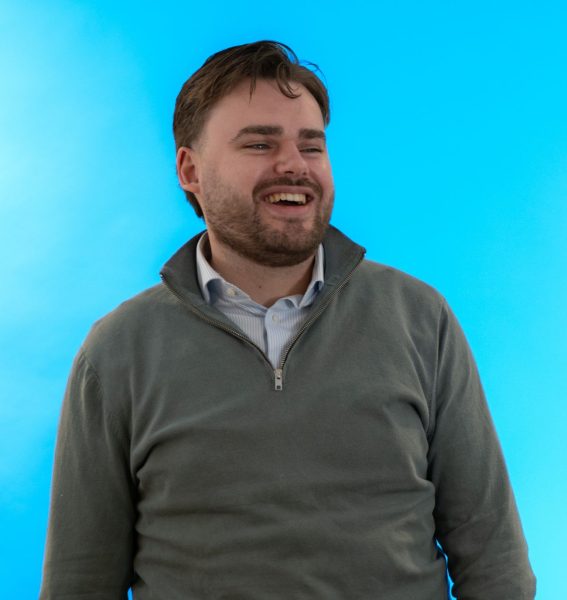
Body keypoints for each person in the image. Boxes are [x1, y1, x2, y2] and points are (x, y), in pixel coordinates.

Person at [40, 41, 536, 599]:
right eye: (260, 143)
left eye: (311, 145)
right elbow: (79, 582)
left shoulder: (421, 319)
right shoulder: (117, 351)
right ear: (190, 170)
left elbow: (494, 560)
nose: (294, 165)